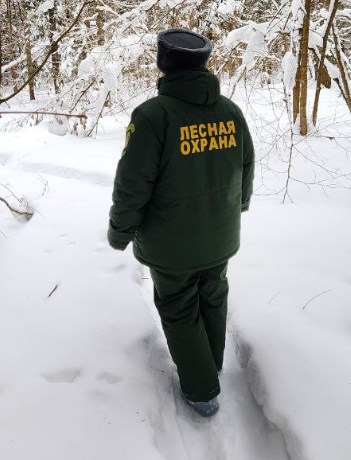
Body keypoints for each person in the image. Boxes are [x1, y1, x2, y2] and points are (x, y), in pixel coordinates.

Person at [108, 28, 254, 418]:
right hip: (220, 236)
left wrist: (120, 230)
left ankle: (201, 388)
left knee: (178, 308)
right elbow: (245, 167)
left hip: (172, 246)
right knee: (213, 295)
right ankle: (211, 363)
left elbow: (132, 185)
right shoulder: (230, 112)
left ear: (164, 65)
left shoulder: (153, 117)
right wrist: (236, 207)